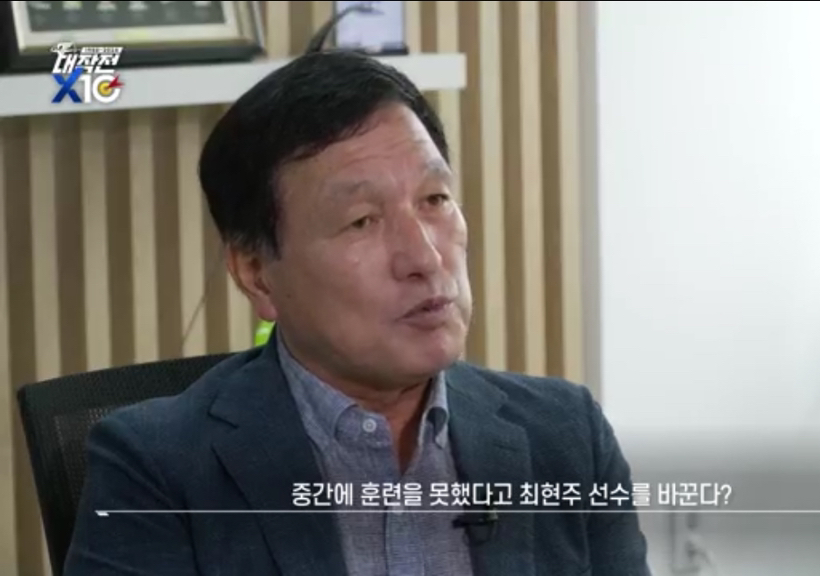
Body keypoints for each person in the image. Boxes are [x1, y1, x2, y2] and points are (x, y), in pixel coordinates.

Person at [64, 50, 650, 576]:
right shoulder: (157, 471)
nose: (425, 257)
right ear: (257, 273)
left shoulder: (566, 435)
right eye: (362, 221)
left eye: (435, 199)